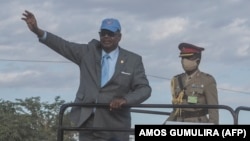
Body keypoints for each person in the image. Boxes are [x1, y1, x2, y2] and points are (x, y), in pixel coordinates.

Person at [21, 10, 151, 141]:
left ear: (119, 36)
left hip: (114, 125)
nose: (106, 37)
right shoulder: (88, 52)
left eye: (110, 34)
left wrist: (125, 100)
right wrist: (37, 31)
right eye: (103, 33)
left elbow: (144, 89)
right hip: (87, 123)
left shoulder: (133, 60)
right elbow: (63, 45)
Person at [165, 42, 219, 124]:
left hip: (198, 122)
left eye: (187, 58)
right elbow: (175, 110)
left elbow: (213, 110)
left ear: (197, 60)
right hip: (178, 121)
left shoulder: (207, 80)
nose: (184, 61)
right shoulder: (176, 80)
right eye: (182, 58)